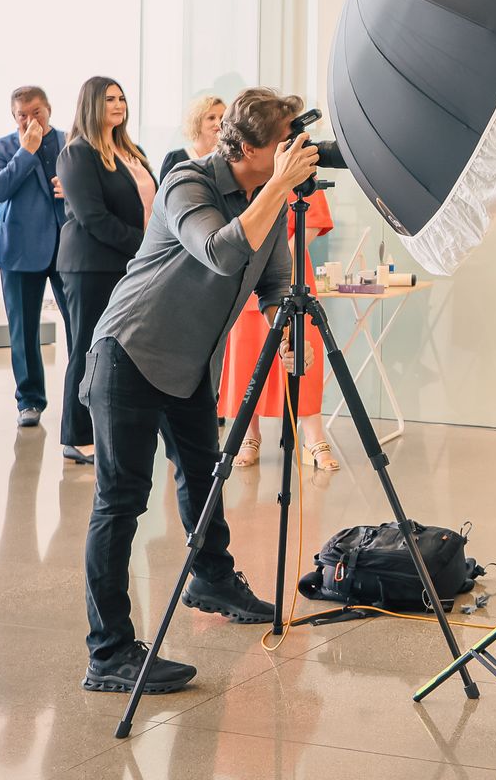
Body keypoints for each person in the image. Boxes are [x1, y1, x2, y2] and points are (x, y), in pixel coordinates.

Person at [79, 87, 319, 695]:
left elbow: (272, 276)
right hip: (131, 353)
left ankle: (211, 578)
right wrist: (277, 189)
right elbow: (219, 250)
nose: (295, 152)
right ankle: (108, 653)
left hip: (188, 365)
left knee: (203, 474)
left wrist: (283, 323)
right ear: (246, 149)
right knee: (122, 501)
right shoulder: (188, 183)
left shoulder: (268, 196)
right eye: (283, 143)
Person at [55, 77, 155, 466]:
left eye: (122, 98)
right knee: (86, 347)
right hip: (91, 266)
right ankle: (76, 435)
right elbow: (93, 218)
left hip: (132, 264)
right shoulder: (77, 154)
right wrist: (145, 246)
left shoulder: (133, 151)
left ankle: (115, 426)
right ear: (91, 105)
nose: (118, 104)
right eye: (109, 99)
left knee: (121, 350)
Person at [220, 185, 339, 471]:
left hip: (291, 270)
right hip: (246, 272)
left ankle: (313, 437)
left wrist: (276, 260)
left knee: (300, 352)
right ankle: (250, 435)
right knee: (247, 356)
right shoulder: (244, 168)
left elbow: (312, 221)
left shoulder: (299, 167)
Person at [0, 86, 70, 428]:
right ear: (13, 116)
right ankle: (29, 400)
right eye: (22, 114)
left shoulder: (72, 142)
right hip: (19, 249)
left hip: (68, 246)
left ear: (49, 109)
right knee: (23, 329)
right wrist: (26, 152)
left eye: (36, 112)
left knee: (81, 326)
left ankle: (84, 396)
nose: (30, 119)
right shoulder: (0, 148)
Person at [159, 95, 224, 185]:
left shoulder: (227, 158)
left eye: (222, 117)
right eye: (211, 118)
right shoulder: (175, 158)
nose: (218, 123)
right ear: (197, 122)